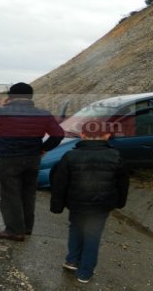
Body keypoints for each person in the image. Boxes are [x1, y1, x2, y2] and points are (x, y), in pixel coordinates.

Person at [0, 82, 64, 241]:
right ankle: (26, 227)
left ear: (11, 96)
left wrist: (0, 107)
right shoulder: (43, 113)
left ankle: (14, 231)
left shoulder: (4, 111)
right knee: (28, 193)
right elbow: (58, 134)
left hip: (9, 159)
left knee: (10, 195)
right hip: (33, 159)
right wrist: (43, 149)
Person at [49, 120, 130, 284]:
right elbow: (123, 183)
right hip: (101, 206)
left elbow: (60, 183)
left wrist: (57, 206)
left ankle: (72, 260)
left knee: (76, 229)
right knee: (93, 236)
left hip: (76, 204)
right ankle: (85, 273)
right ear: (107, 135)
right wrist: (120, 202)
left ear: (82, 135)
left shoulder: (70, 156)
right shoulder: (116, 157)